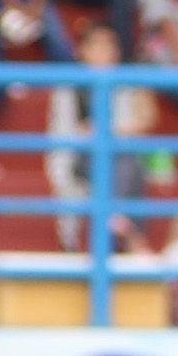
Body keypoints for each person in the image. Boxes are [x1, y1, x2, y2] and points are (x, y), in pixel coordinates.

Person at [46, 24, 153, 251]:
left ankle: (116, 221)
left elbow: (138, 125)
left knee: (127, 162)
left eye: (110, 45)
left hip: (118, 156)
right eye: (98, 45)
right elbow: (61, 138)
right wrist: (87, 134)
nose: (105, 51)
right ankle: (130, 236)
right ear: (82, 51)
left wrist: (109, 133)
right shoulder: (68, 87)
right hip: (81, 158)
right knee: (121, 163)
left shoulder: (124, 84)